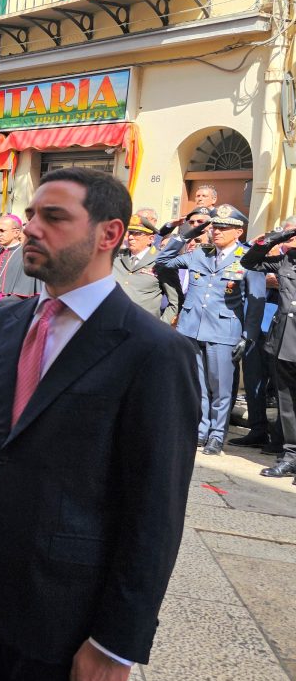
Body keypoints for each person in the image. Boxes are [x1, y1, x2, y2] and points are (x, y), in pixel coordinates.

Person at [0, 167, 200, 681]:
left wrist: (116, 643)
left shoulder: (153, 353)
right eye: (32, 215)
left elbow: (155, 513)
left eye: (53, 218)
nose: (32, 228)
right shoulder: (7, 324)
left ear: (108, 234)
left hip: (66, 619)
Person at [157, 205, 265, 454]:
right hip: (192, 328)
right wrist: (185, 234)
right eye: (215, 227)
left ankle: (217, 434)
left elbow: (256, 302)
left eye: (224, 228)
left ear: (238, 232)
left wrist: (247, 337)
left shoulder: (247, 259)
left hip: (223, 331)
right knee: (198, 385)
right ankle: (201, 430)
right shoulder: (199, 254)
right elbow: (162, 262)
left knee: (221, 387)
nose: (217, 232)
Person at [241, 220, 296, 480]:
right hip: (284, 341)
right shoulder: (286, 260)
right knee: (287, 405)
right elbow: (249, 262)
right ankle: (290, 456)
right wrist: (274, 238)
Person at [112, 215, 178, 321]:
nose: (131, 237)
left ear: (151, 239)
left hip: (142, 327)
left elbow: (175, 301)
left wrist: (160, 327)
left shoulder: (161, 262)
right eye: (130, 233)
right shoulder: (116, 256)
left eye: (137, 234)